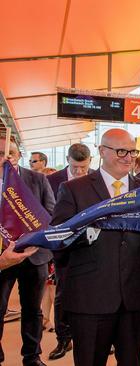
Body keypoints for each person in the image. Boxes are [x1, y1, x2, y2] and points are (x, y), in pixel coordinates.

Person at [50, 128, 140, 365]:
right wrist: (91, 232)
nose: (128, 157)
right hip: (90, 300)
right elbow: (58, 239)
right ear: (102, 151)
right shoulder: (74, 189)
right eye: (121, 151)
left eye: (132, 151)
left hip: (134, 299)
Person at [0, 137, 55, 366]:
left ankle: (32, 356)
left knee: (33, 310)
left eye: (11, 152)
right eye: (3, 153)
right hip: (3, 258)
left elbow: (51, 212)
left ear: (19, 155)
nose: (7, 157)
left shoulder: (37, 179)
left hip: (34, 256)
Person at [45, 142, 92, 361]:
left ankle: (96, 337)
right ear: (67, 160)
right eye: (75, 167)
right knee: (63, 295)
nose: (79, 172)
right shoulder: (52, 181)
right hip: (65, 250)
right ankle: (63, 339)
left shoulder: (97, 180)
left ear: (91, 161)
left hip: (93, 248)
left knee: (94, 293)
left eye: (83, 167)